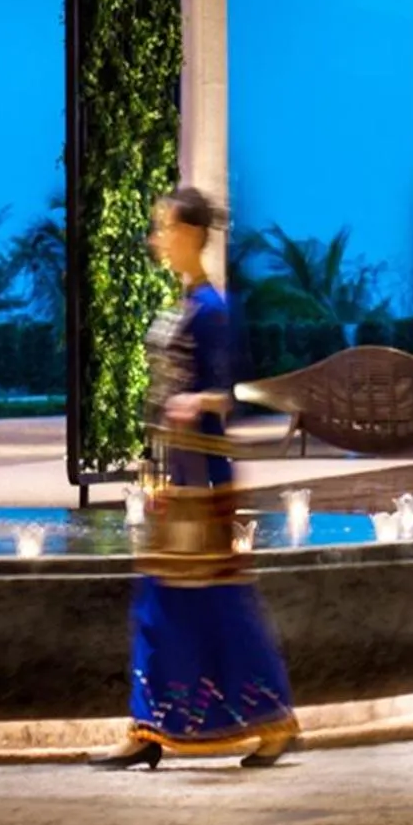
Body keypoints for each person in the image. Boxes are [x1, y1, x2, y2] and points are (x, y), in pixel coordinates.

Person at [91, 186, 299, 771]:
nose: (157, 237)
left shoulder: (212, 310)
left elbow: (227, 395)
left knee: (219, 603)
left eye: (164, 227)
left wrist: (194, 403)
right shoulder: (185, 304)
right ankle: (151, 726)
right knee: (162, 601)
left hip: (202, 481)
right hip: (172, 475)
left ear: (189, 233)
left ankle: (271, 719)